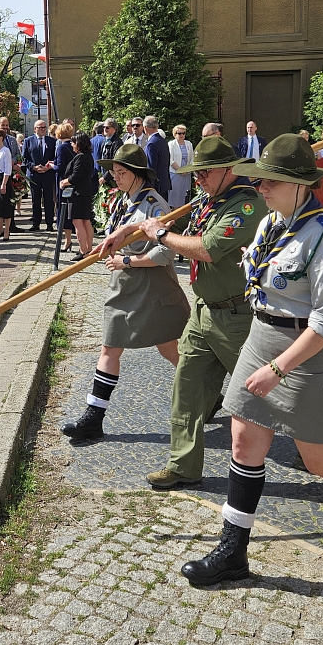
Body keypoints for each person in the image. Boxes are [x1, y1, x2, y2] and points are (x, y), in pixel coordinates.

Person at [178, 134, 323, 586]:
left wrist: (278, 368)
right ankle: (232, 552)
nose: (261, 187)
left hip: (306, 354)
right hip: (262, 338)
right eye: (261, 179)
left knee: (321, 459)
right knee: (244, 441)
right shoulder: (270, 226)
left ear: (303, 184)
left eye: (273, 181)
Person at [101, 136, 267, 491]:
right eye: (196, 174)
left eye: (205, 173)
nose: (199, 180)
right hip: (204, 312)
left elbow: (206, 249)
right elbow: (167, 219)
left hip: (237, 317)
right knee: (187, 388)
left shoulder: (247, 204)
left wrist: (158, 234)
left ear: (228, 171)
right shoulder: (210, 199)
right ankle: (183, 466)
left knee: (264, 393)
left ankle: (315, 446)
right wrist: (128, 229)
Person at [62, 144, 190, 441]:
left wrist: (128, 260)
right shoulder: (124, 200)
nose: (115, 177)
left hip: (151, 287)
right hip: (125, 287)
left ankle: (206, 395)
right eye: (114, 172)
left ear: (138, 174)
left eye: (121, 173)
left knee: (169, 348)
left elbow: (166, 252)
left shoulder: (154, 204)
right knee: (111, 346)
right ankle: (93, 418)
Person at [59, 131, 97, 259]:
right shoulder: (88, 156)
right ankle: (89, 250)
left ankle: (84, 250)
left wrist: (64, 182)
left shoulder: (81, 157)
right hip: (85, 192)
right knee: (86, 221)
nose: (71, 144)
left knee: (78, 222)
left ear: (79, 144)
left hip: (78, 193)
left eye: (73, 142)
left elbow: (76, 176)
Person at [22, 120, 57, 233]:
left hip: (48, 174)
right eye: (40, 127)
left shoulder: (52, 141)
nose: (43, 129)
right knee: (35, 199)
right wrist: (33, 167)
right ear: (34, 129)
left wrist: (48, 167)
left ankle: (49, 223)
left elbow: (56, 157)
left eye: (44, 127)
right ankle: (36, 223)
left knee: (48, 199)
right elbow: (24, 158)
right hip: (34, 174)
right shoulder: (28, 141)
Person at [53, 121, 77, 253]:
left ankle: (67, 240)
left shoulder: (62, 147)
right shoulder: (73, 145)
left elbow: (60, 166)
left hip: (63, 180)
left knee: (63, 209)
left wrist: (52, 166)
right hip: (72, 180)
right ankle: (68, 239)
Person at [143, 116, 171, 201]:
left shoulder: (151, 144)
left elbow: (151, 168)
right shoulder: (162, 141)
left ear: (145, 128)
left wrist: (148, 187)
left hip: (155, 186)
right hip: (163, 184)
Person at [168, 125, 194, 209]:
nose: (182, 135)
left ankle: (184, 217)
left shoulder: (189, 144)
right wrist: (180, 170)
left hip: (186, 174)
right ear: (175, 134)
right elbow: (170, 160)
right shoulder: (171, 144)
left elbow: (192, 159)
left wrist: (187, 170)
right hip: (176, 173)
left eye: (183, 133)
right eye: (179, 133)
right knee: (175, 196)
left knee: (185, 196)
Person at [97, 118, 123, 187]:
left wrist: (106, 177)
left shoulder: (117, 143)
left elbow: (115, 162)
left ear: (114, 129)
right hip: (103, 178)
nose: (105, 129)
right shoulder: (104, 141)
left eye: (107, 127)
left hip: (113, 179)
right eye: (104, 127)